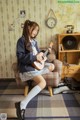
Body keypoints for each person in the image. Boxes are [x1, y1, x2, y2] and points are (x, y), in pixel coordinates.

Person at [15, 20, 55, 120]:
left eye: (37, 30)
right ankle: (22, 104)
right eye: (34, 29)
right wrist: (35, 58)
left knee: (51, 66)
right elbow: (20, 57)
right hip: (27, 68)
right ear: (28, 28)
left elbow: (39, 55)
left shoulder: (34, 42)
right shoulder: (22, 40)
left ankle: (39, 71)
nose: (36, 32)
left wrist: (45, 54)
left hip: (35, 66)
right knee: (43, 83)